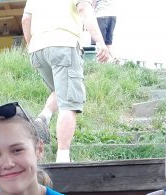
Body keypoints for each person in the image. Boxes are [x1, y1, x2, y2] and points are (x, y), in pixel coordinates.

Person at [22, 0, 112, 163]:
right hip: (64, 44)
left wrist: (31, 46)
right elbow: (84, 8)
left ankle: (43, 118)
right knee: (69, 104)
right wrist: (100, 42)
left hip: (37, 49)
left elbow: (26, 20)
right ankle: (63, 160)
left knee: (60, 90)